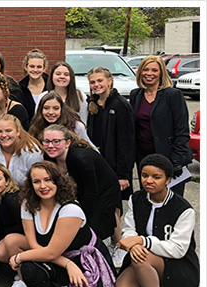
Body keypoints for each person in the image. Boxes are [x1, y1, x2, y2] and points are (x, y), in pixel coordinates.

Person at [11, 161, 116, 287]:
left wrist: (18, 256)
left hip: (86, 261)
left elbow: (50, 252)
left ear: (58, 181)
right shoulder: (28, 205)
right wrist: (67, 264)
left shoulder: (70, 209)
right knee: (29, 268)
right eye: (36, 181)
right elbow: (35, 247)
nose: (43, 186)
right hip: (62, 259)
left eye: (48, 179)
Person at [113, 154, 198, 287]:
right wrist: (134, 243)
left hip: (178, 265)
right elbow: (129, 228)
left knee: (141, 257)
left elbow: (178, 249)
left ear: (168, 180)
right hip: (146, 259)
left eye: (156, 177)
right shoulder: (136, 199)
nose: (148, 180)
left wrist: (142, 242)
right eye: (144, 175)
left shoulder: (184, 209)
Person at [87, 66, 136, 268]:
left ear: (110, 81)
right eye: (93, 82)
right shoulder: (94, 104)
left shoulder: (121, 106)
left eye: (100, 81)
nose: (97, 85)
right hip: (98, 165)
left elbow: (126, 142)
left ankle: (120, 247)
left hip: (115, 168)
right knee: (104, 206)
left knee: (114, 207)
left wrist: (123, 174)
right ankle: (111, 243)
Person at [42, 124, 122, 243]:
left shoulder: (80, 159)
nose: (50, 146)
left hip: (105, 187)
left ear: (67, 143)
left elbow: (91, 192)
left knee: (101, 219)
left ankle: (118, 247)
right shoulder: (49, 157)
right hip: (82, 185)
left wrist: (82, 217)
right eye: (46, 141)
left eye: (56, 141)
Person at [130, 55, 193, 196]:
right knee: (148, 198)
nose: (149, 74)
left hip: (169, 157)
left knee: (170, 201)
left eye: (154, 70)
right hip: (144, 158)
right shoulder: (136, 94)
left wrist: (176, 160)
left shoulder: (173, 95)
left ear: (161, 73)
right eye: (145, 70)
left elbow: (182, 130)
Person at [0, 164, 34, 287]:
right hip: (19, 238)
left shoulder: (13, 199)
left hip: (35, 239)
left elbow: (27, 228)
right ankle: (26, 269)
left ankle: (26, 283)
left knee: (11, 240)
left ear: (7, 181)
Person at [0, 114, 43, 186]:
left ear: (18, 132)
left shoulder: (32, 152)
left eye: (8, 131)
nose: (4, 135)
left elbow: (38, 181)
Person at [28, 91, 94, 146]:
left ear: (62, 109)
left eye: (56, 108)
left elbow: (89, 147)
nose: (51, 112)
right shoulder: (36, 126)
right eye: (46, 108)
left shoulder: (76, 127)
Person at [18, 49, 49, 121]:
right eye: (32, 66)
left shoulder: (52, 86)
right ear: (26, 67)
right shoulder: (19, 89)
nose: (35, 70)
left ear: (44, 68)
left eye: (39, 67)